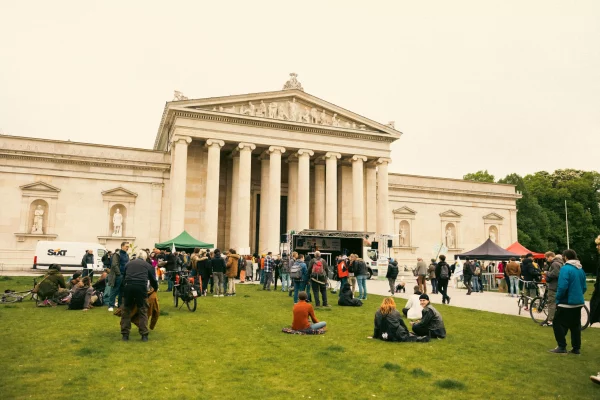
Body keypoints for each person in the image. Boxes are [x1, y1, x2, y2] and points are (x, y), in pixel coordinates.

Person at [549, 249, 586, 354]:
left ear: (565, 257)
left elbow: (562, 286)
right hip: (578, 302)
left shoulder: (566, 269)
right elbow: (584, 287)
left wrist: (558, 298)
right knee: (575, 326)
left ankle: (561, 346)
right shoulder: (581, 269)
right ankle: (576, 348)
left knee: (557, 323)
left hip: (566, 302)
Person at [120, 250, 159, 342]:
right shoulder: (148, 266)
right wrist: (155, 289)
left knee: (126, 310)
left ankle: (125, 334)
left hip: (128, 287)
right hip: (141, 288)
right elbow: (153, 280)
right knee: (142, 310)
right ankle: (144, 334)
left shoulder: (128, 264)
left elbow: (124, 278)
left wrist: (122, 291)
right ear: (145, 257)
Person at [542, 252, 564, 327]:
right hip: (558, 286)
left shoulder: (554, 264)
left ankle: (550, 320)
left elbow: (555, 274)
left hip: (553, 286)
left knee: (551, 303)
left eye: (547, 258)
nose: (547, 259)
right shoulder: (561, 263)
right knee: (557, 304)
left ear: (551, 256)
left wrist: (547, 273)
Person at [108, 242, 129, 311]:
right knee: (114, 290)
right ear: (122, 246)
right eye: (126, 246)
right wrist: (119, 274)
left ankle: (120, 305)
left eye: (128, 246)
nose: (127, 248)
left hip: (124, 275)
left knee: (122, 291)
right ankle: (111, 305)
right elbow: (114, 264)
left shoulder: (127, 255)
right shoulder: (117, 254)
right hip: (118, 275)